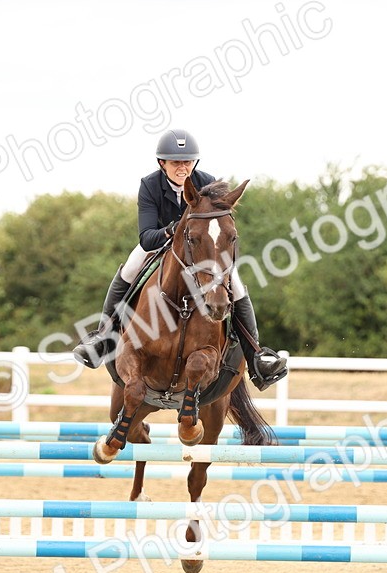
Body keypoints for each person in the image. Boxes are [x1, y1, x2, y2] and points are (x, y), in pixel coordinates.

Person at [72, 129, 288, 390]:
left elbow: (220, 226)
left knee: (237, 284)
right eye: (175, 162)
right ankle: (103, 337)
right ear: (162, 163)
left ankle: (256, 356)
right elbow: (146, 237)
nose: (182, 167)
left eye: (187, 162)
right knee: (128, 270)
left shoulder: (208, 182)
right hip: (160, 245)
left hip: (201, 253)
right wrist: (175, 230)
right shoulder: (150, 185)